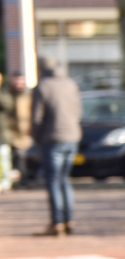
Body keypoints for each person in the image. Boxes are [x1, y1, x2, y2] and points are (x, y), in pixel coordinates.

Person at [32, 56, 83, 236]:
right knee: (64, 180)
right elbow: (78, 111)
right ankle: (69, 220)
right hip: (72, 137)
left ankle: (57, 223)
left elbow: (37, 118)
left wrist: (36, 140)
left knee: (53, 182)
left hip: (52, 139)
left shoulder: (42, 86)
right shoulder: (71, 84)